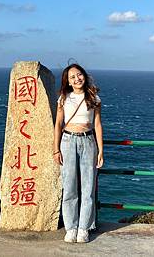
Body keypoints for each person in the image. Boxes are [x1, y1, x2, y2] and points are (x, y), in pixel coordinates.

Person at [53, 63, 104, 243]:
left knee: (88, 188)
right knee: (69, 186)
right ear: (67, 81)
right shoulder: (63, 98)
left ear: (84, 75)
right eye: (72, 77)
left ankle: (84, 228)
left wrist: (101, 151)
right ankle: (71, 228)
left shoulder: (93, 98)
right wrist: (55, 149)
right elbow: (58, 124)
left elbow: (97, 125)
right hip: (67, 141)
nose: (77, 79)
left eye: (79, 75)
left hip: (88, 140)